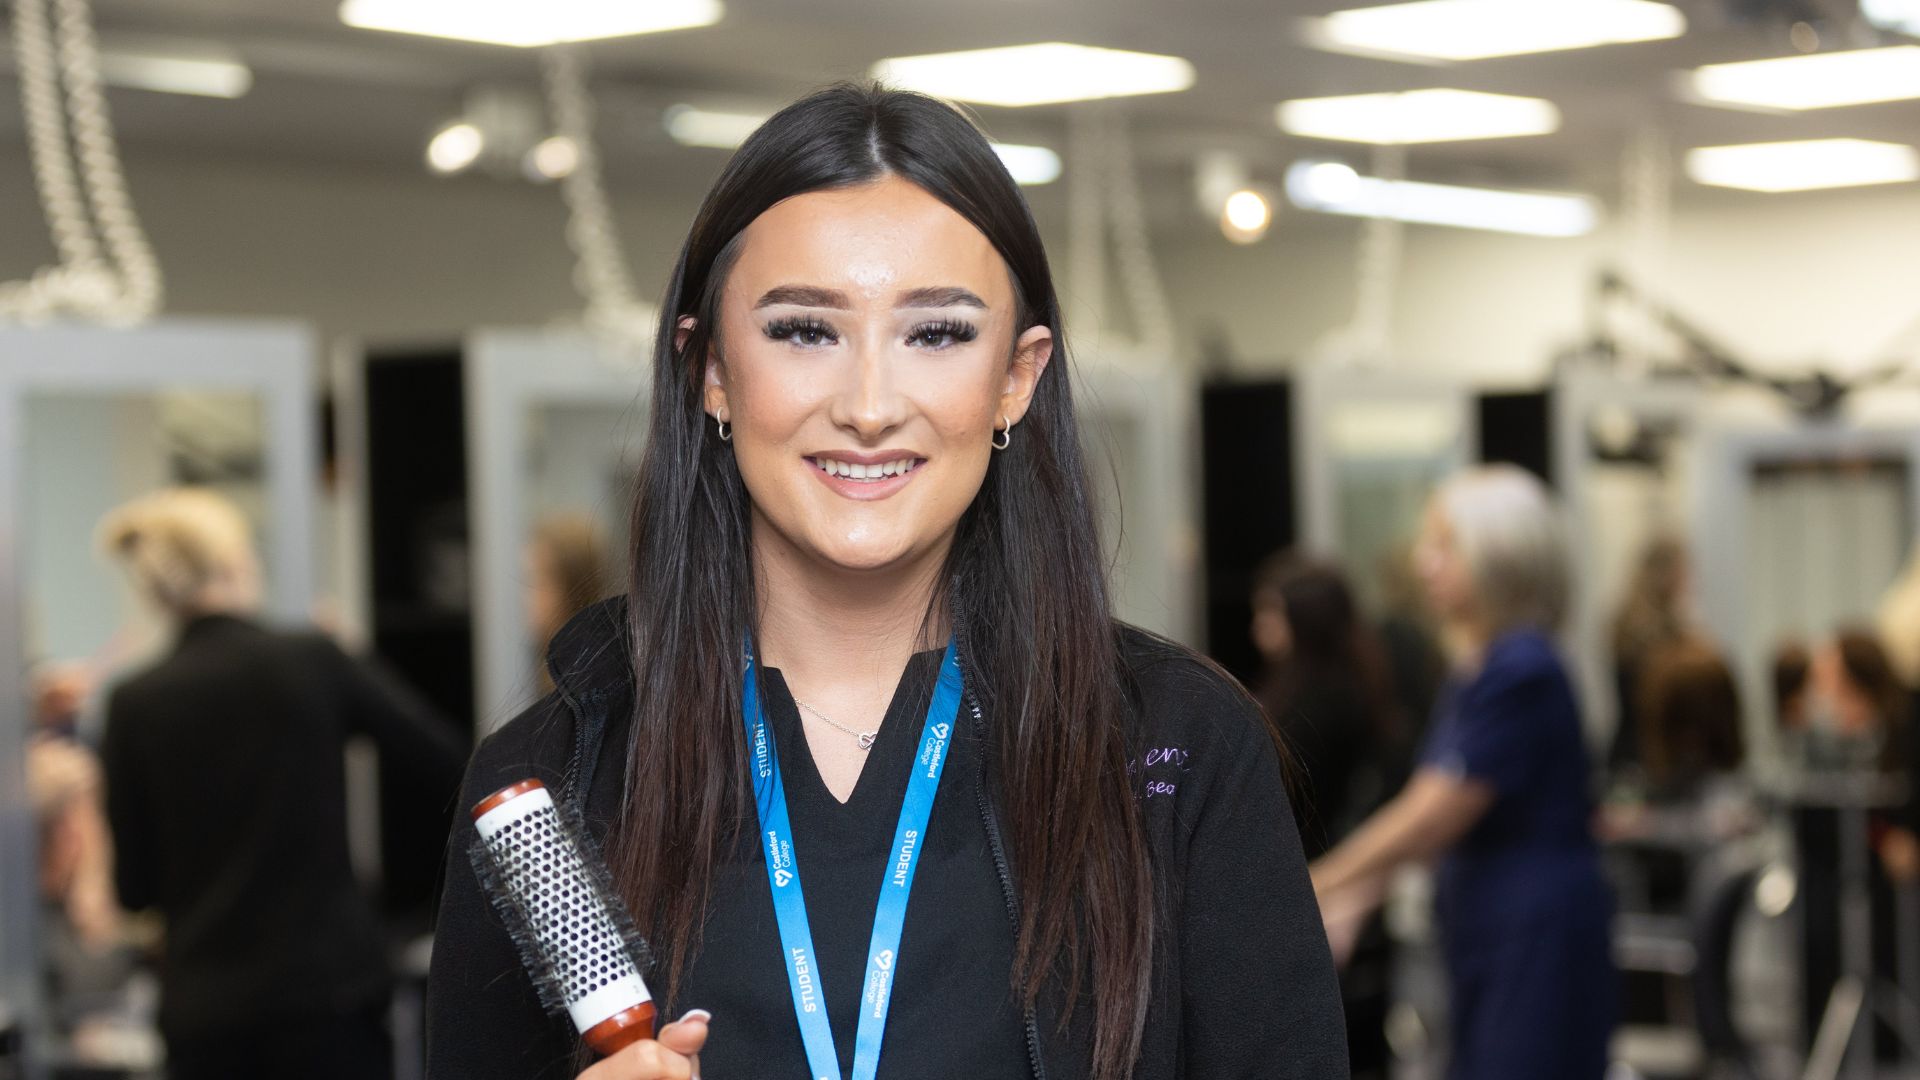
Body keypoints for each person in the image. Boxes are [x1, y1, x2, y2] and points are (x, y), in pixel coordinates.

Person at [426, 83, 1347, 1080]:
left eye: (938, 333)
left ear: (1017, 376)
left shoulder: (1175, 748)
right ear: (710, 369)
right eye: (804, 330)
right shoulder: (556, 783)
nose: (869, 407)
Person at [96, 487, 467, 1080]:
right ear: (236, 563)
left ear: (155, 587)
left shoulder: (134, 701)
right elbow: (447, 762)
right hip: (329, 997)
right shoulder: (311, 661)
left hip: (206, 1016)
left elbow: (134, 889)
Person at [1310, 465, 1616, 1080]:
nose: (1425, 564)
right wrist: (1356, 894)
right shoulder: (1477, 670)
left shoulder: (1522, 669)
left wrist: (1316, 886)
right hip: (1493, 931)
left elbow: (1432, 814)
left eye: (1445, 545)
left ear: (1500, 557)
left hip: (1534, 940)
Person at [1248, 552, 1399, 1079]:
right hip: (1341, 882)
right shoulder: (1360, 685)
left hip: (1323, 882)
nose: (1259, 626)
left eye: (1270, 613)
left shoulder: (1310, 704)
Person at [525, 512, 614, 692]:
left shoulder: (585, 683)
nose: (524, 596)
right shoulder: (540, 668)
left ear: (570, 587)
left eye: (534, 580)